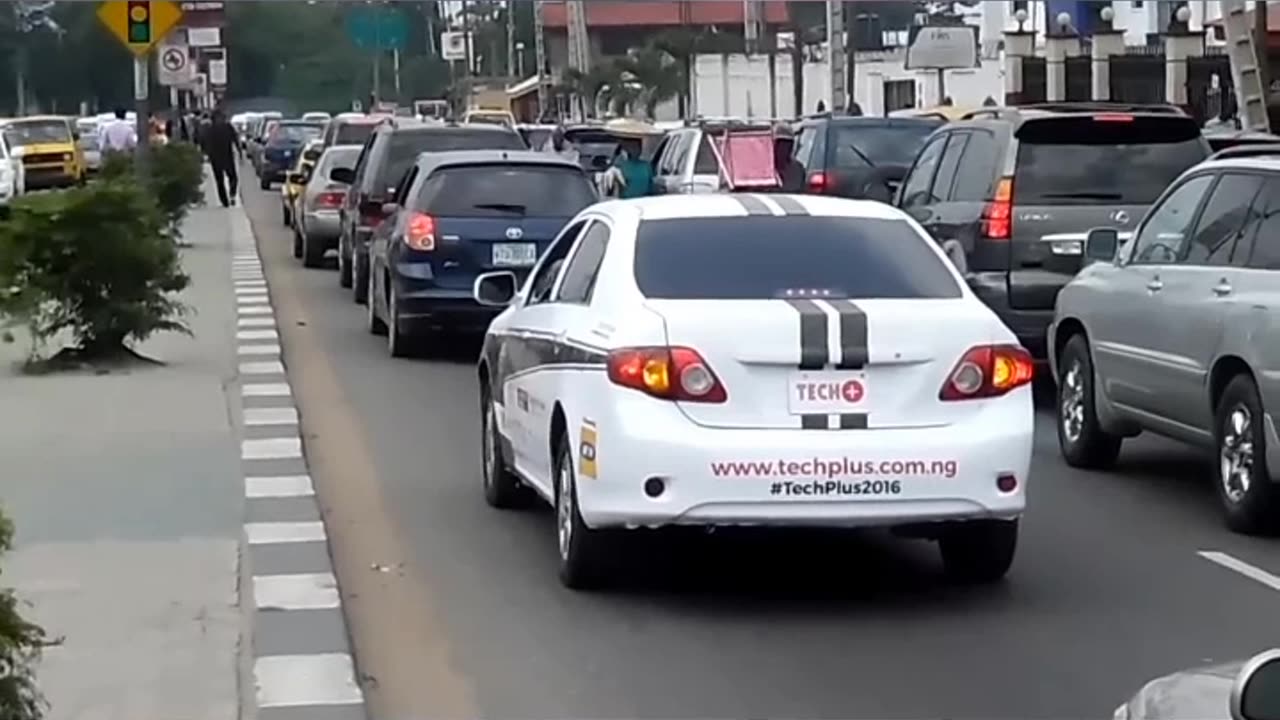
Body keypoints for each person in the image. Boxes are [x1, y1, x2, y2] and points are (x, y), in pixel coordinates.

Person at [203, 108, 240, 208]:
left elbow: (206, 143)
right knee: (233, 177)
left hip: (216, 158)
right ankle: (232, 195)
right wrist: (239, 151)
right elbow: (235, 139)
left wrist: (207, 155)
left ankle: (225, 201)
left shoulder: (210, 129)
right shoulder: (228, 127)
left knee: (220, 181)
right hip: (227, 156)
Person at [770, 126, 805, 193]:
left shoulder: (798, 169)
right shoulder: (765, 170)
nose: (783, 148)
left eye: (787, 144)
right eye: (780, 143)